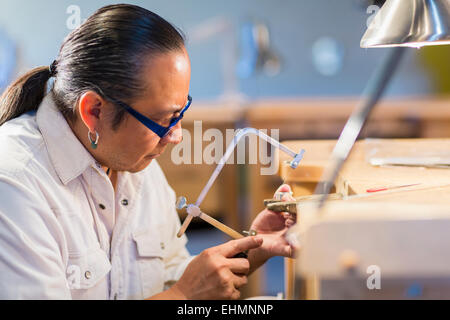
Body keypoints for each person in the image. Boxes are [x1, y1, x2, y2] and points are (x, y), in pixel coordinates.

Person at [0, 4, 296, 300]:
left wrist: (252, 249)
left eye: (181, 113)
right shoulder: (14, 183)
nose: (176, 136)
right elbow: (180, 292)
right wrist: (184, 296)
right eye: (162, 119)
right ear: (93, 111)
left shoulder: (134, 166)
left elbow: (170, 277)